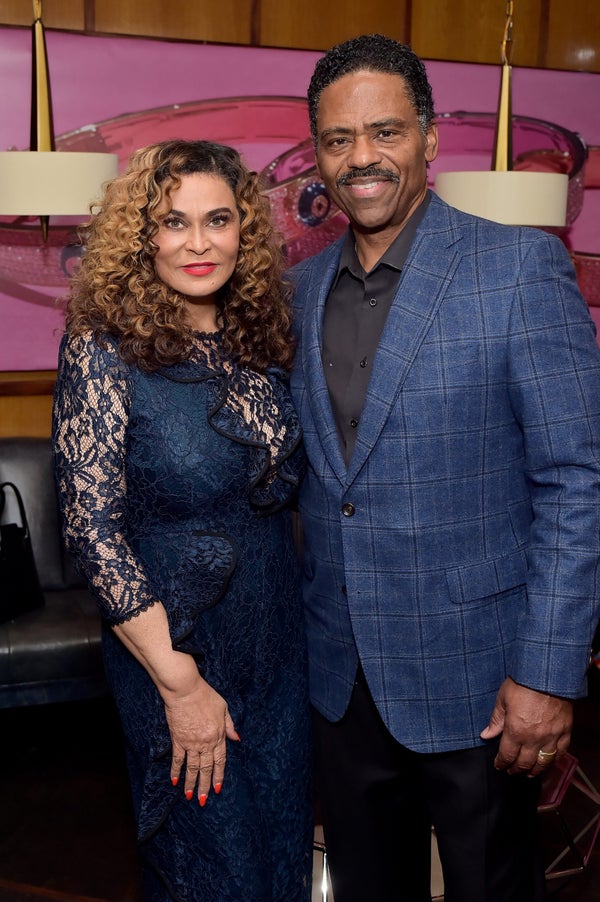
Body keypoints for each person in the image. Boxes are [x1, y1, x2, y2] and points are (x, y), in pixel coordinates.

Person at [288, 33, 600, 902]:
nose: (362, 157)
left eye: (385, 132)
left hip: (481, 681)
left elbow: (576, 480)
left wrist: (546, 672)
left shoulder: (519, 269)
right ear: (318, 153)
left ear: (429, 138)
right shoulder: (297, 291)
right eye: (339, 139)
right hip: (341, 680)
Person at [52, 139, 313, 901]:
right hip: (177, 644)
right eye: (174, 222)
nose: (199, 243)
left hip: (277, 643)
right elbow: (91, 530)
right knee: (214, 868)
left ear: (244, 232)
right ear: (143, 237)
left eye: (218, 220)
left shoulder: (261, 343)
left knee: (281, 852)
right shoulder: (101, 350)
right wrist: (179, 684)